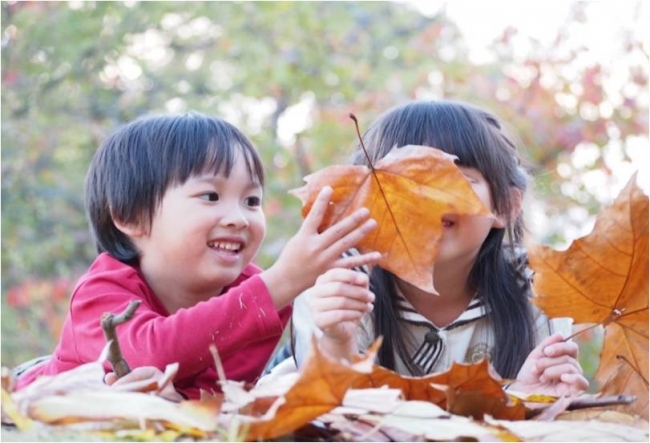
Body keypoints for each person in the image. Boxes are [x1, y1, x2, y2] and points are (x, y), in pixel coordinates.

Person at [14, 112, 380, 400]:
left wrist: (180, 403)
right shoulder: (102, 291)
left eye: (251, 201)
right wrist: (282, 281)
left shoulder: (254, 295)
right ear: (130, 217)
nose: (238, 218)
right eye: (210, 196)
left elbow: (218, 398)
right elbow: (148, 353)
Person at [283, 100, 589, 396]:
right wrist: (338, 341)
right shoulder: (338, 279)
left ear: (505, 207)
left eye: (456, 179)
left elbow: (544, 406)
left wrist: (526, 395)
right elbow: (323, 412)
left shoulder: (539, 285)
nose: (427, 199)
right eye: (405, 180)